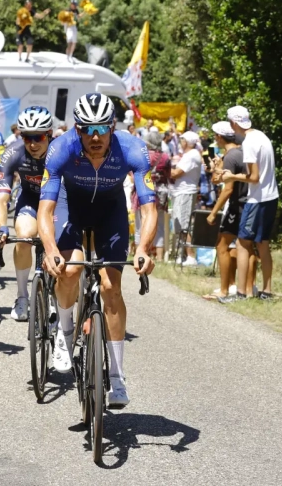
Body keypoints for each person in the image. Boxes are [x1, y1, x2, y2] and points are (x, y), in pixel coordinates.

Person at [38, 92, 157, 408]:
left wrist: (144, 247)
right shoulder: (60, 149)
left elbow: (149, 206)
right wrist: (50, 249)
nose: (95, 136)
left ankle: (117, 378)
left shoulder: (132, 148)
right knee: (70, 270)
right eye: (87, 129)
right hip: (71, 207)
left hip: (110, 211)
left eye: (102, 128)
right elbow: (45, 209)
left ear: (113, 126)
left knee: (110, 288)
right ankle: (64, 338)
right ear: (77, 129)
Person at [0, 106, 52, 320]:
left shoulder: (61, 151)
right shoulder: (13, 152)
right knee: (25, 237)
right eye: (27, 137)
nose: (33, 144)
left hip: (57, 202)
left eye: (39, 137)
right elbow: (1, 199)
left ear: (50, 134)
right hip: (30, 199)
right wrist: (1, 227)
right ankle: (22, 296)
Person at [221, 105, 279, 300]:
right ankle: (267, 291)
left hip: (257, 198)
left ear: (234, 123)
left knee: (242, 243)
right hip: (271, 196)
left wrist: (232, 176)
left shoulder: (249, 143)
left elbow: (254, 178)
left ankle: (240, 293)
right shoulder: (261, 136)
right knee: (262, 244)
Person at [204, 121, 253, 302]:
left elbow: (228, 188)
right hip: (247, 204)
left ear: (219, 137)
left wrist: (213, 212)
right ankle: (247, 288)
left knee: (222, 246)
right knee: (247, 247)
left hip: (236, 205)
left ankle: (224, 290)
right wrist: (216, 168)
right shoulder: (241, 151)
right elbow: (220, 180)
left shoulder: (231, 156)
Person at [133, 131, 170, 261]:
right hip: (160, 192)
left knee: (140, 224)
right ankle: (159, 257)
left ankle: (140, 254)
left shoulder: (141, 155)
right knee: (159, 224)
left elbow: (134, 176)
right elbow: (168, 175)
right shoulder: (165, 157)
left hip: (143, 191)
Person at [170, 131, 202, 266]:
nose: (180, 142)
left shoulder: (192, 155)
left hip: (185, 192)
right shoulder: (190, 155)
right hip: (181, 192)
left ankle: (190, 256)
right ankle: (182, 255)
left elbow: (177, 173)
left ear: (187, 142)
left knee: (184, 225)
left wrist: (163, 169)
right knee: (179, 224)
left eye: (182, 140)